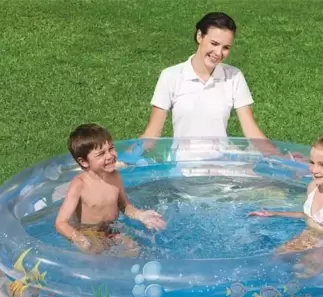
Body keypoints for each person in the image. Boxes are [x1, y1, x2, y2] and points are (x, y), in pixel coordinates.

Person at [137, 11, 280, 159]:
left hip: (222, 165)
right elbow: (152, 135)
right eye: (214, 44)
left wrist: (281, 156)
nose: (218, 53)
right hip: (183, 166)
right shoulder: (170, 76)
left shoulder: (234, 76)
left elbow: (252, 132)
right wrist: (125, 158)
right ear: (200, 36)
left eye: (226, 47)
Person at [55, 124, 166, 255]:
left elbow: (125, 206)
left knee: (133, 249)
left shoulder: (115, 176)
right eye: (101, 154)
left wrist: (140, 215)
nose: (109, 156)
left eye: (111, 148)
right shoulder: (80, 184)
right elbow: (61, 223)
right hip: (88, 232)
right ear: (84, 162)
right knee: (96, 252)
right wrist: (78, 238)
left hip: (111, 228)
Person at [249, 128, 323, 255]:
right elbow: (308, 216)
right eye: (312, 162)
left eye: (322, 165)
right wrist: (274, 213)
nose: (314, 170)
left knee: (303, 267)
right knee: (275, 256)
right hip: (308, 237)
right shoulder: (313, 187)